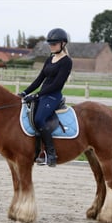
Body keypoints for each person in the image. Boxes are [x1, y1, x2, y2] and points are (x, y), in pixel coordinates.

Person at [18, 28, 72, 167]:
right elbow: (39, 80)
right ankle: (35, 151)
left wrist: (37, 95)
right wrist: (24, 92)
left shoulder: (66, 61)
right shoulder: (49, 59)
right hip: (43, 95)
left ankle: (51, 153)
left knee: (39, 119)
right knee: (28, 116)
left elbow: (57, 84)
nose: (51, 46)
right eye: (50, 44)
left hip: (53, 96)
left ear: (63, 44)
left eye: (54, 44)